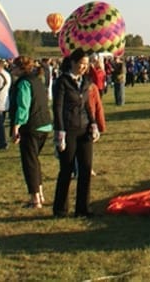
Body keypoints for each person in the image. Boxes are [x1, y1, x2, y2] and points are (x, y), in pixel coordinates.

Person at [52, 49, 98, 217]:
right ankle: (60, 208)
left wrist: (93, 123)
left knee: (86, 168)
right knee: (67, 169)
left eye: (86, 65)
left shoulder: (85, 81)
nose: (84, 68)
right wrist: (60, 131)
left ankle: (83, 208)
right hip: (69, 129)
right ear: (72, 62)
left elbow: (87, 105)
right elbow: (57, 108)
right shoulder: (62, 82)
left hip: (84, 129)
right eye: (81, 64)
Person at [11, 56, 53, 209]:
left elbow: (23, 106)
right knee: (35, 161)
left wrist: (16, 126)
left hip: (31, 126)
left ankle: (35, 198)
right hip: (44, 125)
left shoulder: (23, 83)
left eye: (14, 67)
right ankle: (40, 193)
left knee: (29, 163)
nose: (12, 70)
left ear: (21, 68)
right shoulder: (37, 80)